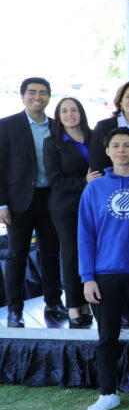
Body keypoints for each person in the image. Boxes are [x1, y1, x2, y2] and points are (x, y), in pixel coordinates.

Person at [78, 128, 129, 410]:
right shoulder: (94, 188)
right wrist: (87, 277)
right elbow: (85, 234)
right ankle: (108, 393)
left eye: (127, 145)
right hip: (106, 273)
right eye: (115, 145)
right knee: (107, 337)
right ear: (107, 151)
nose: (121, 150)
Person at [0, 77, 64, 328]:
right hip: (19, 201)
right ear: (23, 96)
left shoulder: (58, 126)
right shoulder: (7, 125)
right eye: (32, 92)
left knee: (51, 254)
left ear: (49, 97)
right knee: (17, 255)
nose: (38, 97)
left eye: (43, 92)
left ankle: (54, 302)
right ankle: (15, 309)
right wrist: (2, 204)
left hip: (51, 199)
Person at [43, 96, 101, 326]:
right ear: (58, 116)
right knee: (71, 254)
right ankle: (74, 308)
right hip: (65, 206)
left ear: (81, 113)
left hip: (93, 205)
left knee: (89, 252)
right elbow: (55, 180)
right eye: (64, 111)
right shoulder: (52, 142)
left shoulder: (95, 137)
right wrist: (84, 182)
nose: (69, 114)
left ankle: (86, 304)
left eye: (74, 109)